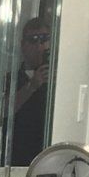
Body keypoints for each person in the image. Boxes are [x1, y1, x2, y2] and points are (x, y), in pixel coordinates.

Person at [9, 14, 53, 167]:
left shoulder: (60, 81)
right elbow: (3, 112)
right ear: (23, 45)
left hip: (52, 158)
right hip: (19, 158)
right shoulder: (11, 80)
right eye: (33, 40)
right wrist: (31, 86)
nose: (39, 47)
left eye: (44, 39)